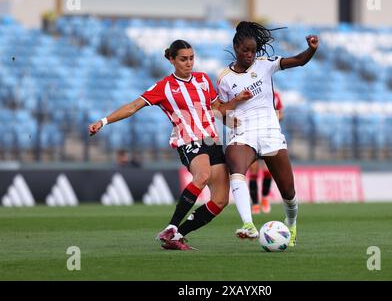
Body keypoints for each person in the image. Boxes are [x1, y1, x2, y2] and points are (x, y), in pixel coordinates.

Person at [89, 39, 252, 250]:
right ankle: (172, 226)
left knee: (220, 200)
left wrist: (234, 107)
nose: (189, 63)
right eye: (183, 59)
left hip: (212, 140)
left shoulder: (203, 80)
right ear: (171, 60)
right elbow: (133, 106)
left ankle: (177, 235)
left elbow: (217, 109)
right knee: (201, 176)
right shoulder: (164, 87)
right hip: (188, 141)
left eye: (192, 58)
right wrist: (103, 121)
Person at [217, 21, 319, 247]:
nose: (250, 55)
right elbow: (220, 111)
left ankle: (291, 225)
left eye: (253, 51)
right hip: (244, 132)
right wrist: (233, 106)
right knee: (235, 165)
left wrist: (311, 49)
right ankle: (248, 224)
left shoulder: (265, 65)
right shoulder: (224, 78)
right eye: (245, 50)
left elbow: (299, 61)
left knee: (288, 191)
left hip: (270, 131)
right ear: (235, 47)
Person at [248, 89, 283, 215]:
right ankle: (255, 203)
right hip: (252, 137)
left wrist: (272, 120)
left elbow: (281, 114)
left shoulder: (276, 95)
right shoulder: (252, 94)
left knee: (268, 170)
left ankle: (265, 197)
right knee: (253, 171)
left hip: (268, 137)